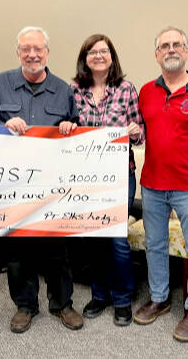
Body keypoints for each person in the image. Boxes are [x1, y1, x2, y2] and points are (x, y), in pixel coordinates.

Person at [0, 26, 84, 333]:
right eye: (26, 49)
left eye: (38, 49)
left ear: (47, 53)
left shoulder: (63, 89)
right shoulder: (0, 84)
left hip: (52, 184)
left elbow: (77, 126)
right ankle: (25, 305)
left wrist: (70, 125)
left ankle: (62, 304)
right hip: (13, 184)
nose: (32, 54)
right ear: (18, 53)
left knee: (57, 250)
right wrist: (3, 125)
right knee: (19, 251)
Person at [136, 26, 188, 342]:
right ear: (157, 54)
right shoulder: (146, 91)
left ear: (186, 51)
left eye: (177, 44)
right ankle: (158, 298)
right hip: (153, 184)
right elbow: (145, 131)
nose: (171, 49)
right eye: (164, 45)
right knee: (154, 244)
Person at [70, 34, 144, 326]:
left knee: (115, 238)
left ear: (112, 57)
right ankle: (99, 295)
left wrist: (136, 131)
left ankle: (122, 299)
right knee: (94, 238)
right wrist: (66, 126)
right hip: (86, 177)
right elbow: (68, 126)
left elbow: (141, 133)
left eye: (104, 51)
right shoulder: (74, 89)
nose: (99, 56)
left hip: (119, 174)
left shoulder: (126, 89)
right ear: (85, 57)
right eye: (92, 52)